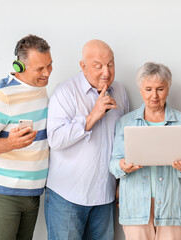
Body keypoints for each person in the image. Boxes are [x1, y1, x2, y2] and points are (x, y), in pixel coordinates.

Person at [45, 39, 129, 240]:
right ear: (83, 66)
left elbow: (124, 141)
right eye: (98, 66)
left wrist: (121, 184)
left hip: (105, 196)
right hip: (67, 197)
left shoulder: (121, 92)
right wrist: (91, 117)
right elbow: (55, 139)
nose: (106, 72)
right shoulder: (65, 92)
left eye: (110, 64)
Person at [109, 62, 181, 240]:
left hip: (172, 204)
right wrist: (122, 166)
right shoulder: (125, 122)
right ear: (141, 90)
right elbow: (113, 163)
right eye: (148, 89)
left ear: (168, 89)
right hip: (135, 206)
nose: (154, 95)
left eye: (160, 88)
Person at [0, 34, 52, 240]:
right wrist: (9, 143)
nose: (47, 73)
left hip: (32, 194)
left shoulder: (41, 89)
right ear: (19, 66)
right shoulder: (1, 95)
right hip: (2, 195)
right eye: (39, 69)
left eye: (49, 65)